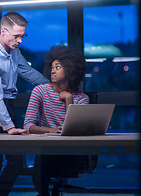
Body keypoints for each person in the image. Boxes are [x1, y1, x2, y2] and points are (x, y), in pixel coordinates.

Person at [0, 12, 49, 196]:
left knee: (12, 159)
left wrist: (51, 86)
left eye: (22, 35)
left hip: (7, 105)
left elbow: (27, 71)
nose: (20, 40)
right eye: (17, 36)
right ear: (3, 31)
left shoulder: (14, 50)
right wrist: (9, 127)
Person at [23, 45, 89, 196]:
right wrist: (51, 130)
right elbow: (28, 125)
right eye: (52, 67)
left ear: (71, 69)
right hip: (47, 151)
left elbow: (76, 128)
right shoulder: (39, 91)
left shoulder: (82, 98)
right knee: (45, 159)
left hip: (71, 153)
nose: (52, 71)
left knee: (54, 160)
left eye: (57, 67)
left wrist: (68, 99)